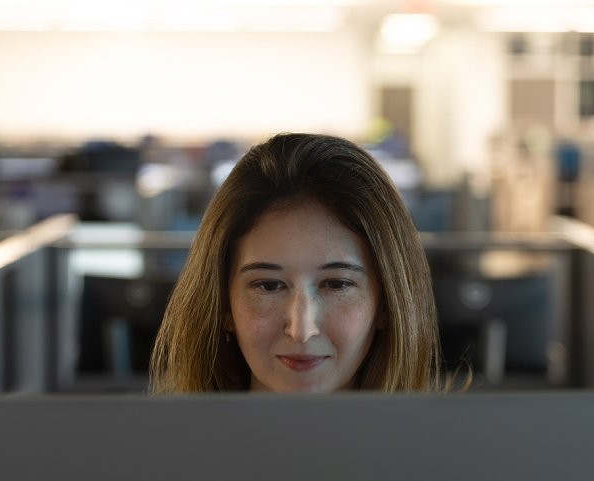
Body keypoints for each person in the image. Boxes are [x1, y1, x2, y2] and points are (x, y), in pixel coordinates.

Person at [150, 133, 447, 393]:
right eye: (268, 286)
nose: (302, 330)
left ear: (385, 303)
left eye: (337, 284)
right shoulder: (162, 454)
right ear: (224, 304)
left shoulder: (442, 455)